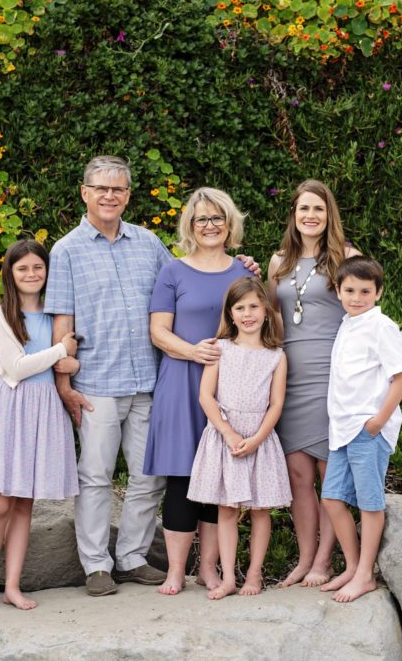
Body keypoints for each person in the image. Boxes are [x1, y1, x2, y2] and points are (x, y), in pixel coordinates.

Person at [46, 156, 259, 597]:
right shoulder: (66, 250)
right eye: (101, 189)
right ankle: (96, 564)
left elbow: (196, 274)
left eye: (118, 189)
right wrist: (63, 385)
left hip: (148, 381)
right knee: (96, 475)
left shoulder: (148, 244)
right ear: (85, 192)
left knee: (150, 477)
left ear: (128, 195)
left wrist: (246, 265)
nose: (110, 196)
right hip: (96, 384)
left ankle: (132, 558)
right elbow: (61, 323)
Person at [0, 240, 80, 617]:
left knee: (26, 502)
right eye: (22, 268)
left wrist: (70, 363)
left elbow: (72, 362)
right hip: (12, 407)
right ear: (10, 274)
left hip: (46, 407)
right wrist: (62, 352)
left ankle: (12, 585)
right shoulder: (2, 314)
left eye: (38, 268)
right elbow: (16, 367)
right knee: (0, 502)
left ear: (48, 272)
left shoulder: (58, 315)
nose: (31, 275)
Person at [144, 188, 252, 596]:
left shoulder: (244, 272)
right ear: (190, 225)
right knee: (181, 477)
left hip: (228, 388)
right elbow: (158, 331)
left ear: (230, 223)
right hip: (180, 382)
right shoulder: (173, 271)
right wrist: (193, 351)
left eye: (217, 218)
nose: (210, 225)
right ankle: (175, 572)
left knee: (218, 479)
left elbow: (258, 323)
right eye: (201, 219)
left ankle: (208, 569)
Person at [266, 180, 361, 587]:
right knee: (298, 476)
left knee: (329, 473)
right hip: (290, 375)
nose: (310, 216)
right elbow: (268, 318)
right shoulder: (278, 263)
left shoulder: (347, 257)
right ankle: (304, 559)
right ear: (294, 214)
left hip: (332, 376)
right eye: (304, 208)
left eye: (318, 210)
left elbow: (362, 317)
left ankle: (325, 560)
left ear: (329, 215)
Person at [187, 277, 292, 600]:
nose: (248, 314)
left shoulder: (276, 356)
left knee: (260, 510)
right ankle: (229, 575)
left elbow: (276, 404)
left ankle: (255, 573)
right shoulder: (220, 348)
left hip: (260, 438)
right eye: (240, 308)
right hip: (225, 436)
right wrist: (228, 432)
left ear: (266, 310)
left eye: (254, 307)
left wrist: (258, 437)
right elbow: (206, 396)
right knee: (227, 509)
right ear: (231, 314)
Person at [320, 256, 402, 603]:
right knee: (331, 498)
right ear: (339, 291)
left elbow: (401, 377)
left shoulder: (381, 325)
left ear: (378, 292)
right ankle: (353, 566)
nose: (356, 297)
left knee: (369, 504)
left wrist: (377, 422)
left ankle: (365, 574)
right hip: (341, 429)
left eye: (365, 291)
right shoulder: (347, 324)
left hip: (366, 428)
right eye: (349, 290)